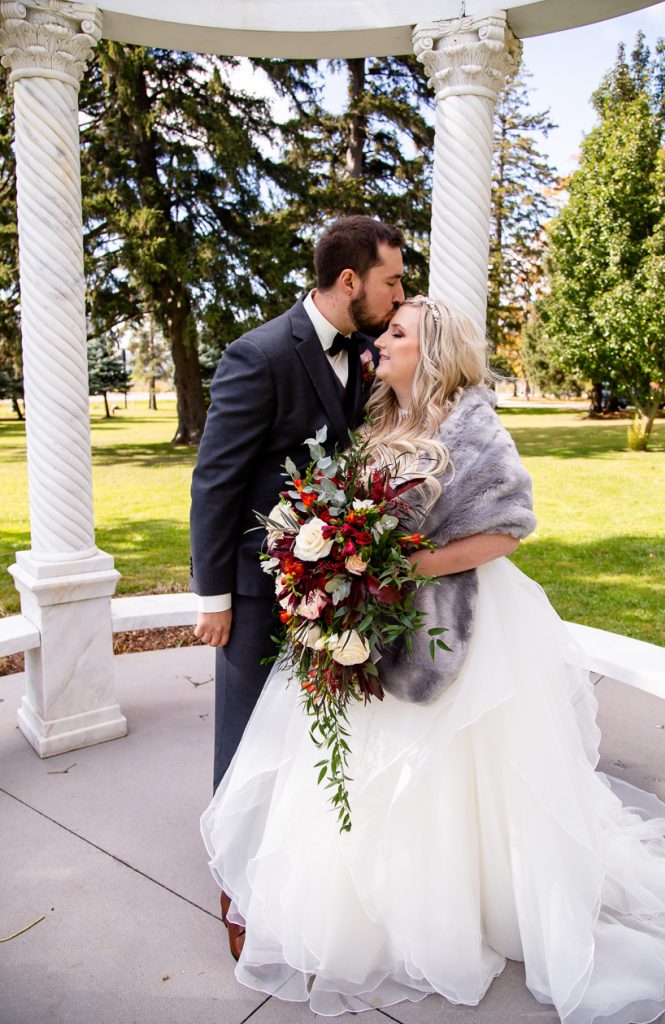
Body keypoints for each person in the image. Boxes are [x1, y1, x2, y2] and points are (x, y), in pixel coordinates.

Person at [200, 295, 665, 1022]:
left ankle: (459, 908)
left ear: (431, 353)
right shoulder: (378, 419)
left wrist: (399, 567)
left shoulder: (471, 425)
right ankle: (375, 903)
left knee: (451, 778)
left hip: (451, 633)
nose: (379, 342)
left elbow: (508, 530)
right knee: (360, 771)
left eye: (396, 334)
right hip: (374, 626)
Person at [190, 215, 405, 955]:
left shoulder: (373, 347)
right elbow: (215, 479)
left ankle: (301, 861)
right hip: (253, 589)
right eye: (391, 280)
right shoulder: (257, 354)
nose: (400, 293)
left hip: (335, 578)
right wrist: (212, 597)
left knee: (310, 725)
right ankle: (236, 880)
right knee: (244, 729)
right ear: (350, 281)